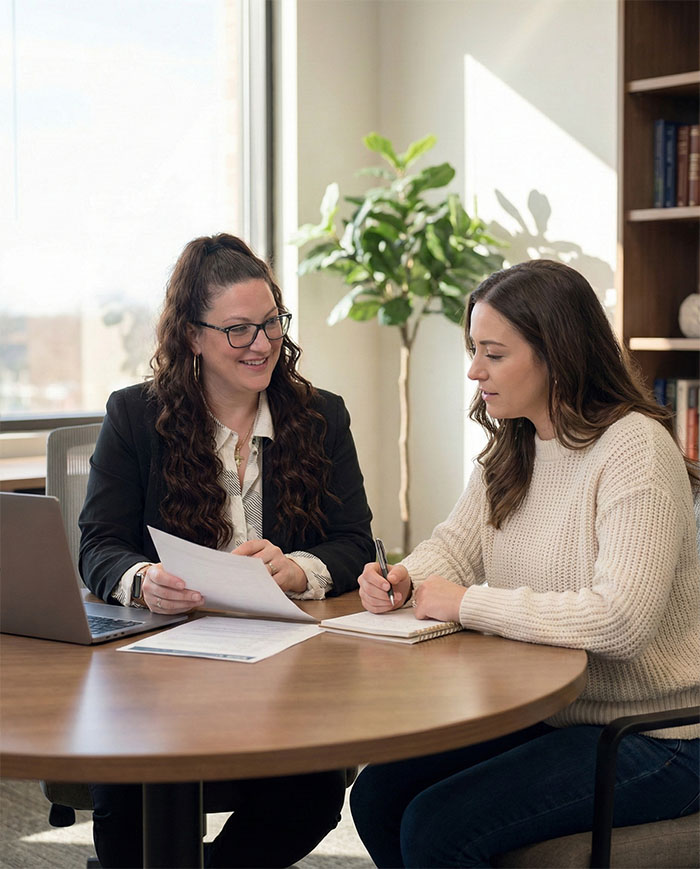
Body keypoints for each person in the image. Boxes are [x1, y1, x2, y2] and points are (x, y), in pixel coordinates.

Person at [351, 259, 699, 868]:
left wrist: (466, 603)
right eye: (473, 349)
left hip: (657, 734)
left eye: (493, 353)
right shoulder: (512, 444)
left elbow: (622, 620)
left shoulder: (635, 448)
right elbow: (455, 548)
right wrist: (406, 578)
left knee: (440, 827)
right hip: (557, 712)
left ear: (556, 354)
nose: (473, 370)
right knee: (378, 793)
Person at [79, 232, 374, 868]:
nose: (262, 344)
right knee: (129, 809)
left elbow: (354, 541)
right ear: (193, 336)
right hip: (158, 668)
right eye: (238, 330)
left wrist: (299, 569)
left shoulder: (321, 417)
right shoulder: (136, 416)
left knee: (314, 792)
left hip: (284, 666)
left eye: (271, 323)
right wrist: (140, 579)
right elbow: (99, 544)